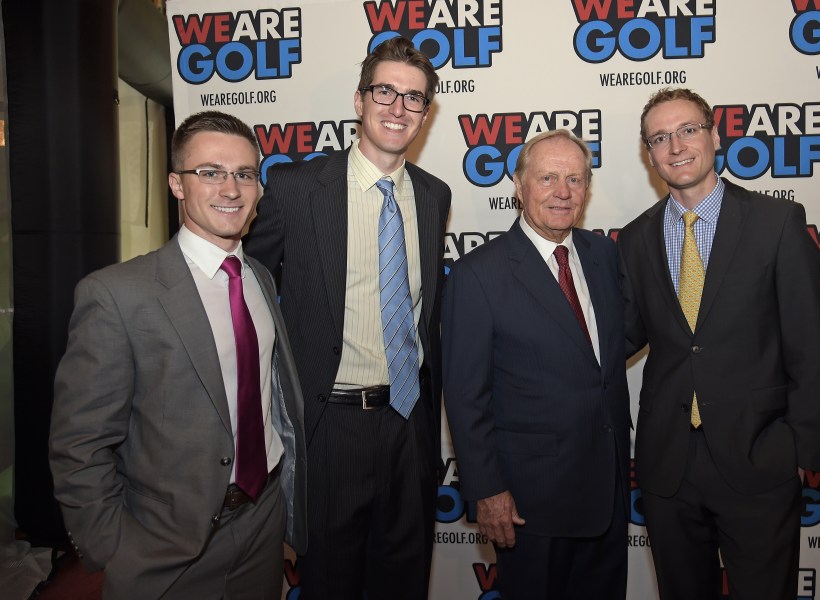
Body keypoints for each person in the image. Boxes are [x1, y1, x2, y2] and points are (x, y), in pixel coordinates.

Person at [49, 110, 307, 599]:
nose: (230, 189)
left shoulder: (259, 278)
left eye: (245, 174)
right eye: (209, 172)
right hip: (166, 547)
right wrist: (114, 550)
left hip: (263, 521)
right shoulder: (116, 295)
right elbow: (78, 446)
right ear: (176, 184)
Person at [244, 36, 450, 599]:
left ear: (425, 114)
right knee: (331, 584)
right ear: (359, 101)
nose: (398, 107)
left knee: (404, 582)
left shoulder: (434, 196)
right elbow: (244, 292)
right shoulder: (296, 189)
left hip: (410, 426)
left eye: (413, 98)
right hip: (330, 426)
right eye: (385, 91)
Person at [617, 88, 820, 600]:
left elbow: (809, 343)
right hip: (668, 466)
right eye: (660, 138)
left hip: (759, 458)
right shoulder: (634, 239)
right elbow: (623, 337)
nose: (676, 146)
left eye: (688, 130)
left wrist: (804, 447)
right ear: (650, 154)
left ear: (714, 136)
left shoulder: (775, 222)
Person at [442, 129, 630, 599]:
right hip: (529, 504)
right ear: (519, 186)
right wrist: (487, 491)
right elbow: (466, 397)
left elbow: (602, 356)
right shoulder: (477, 274)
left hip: (606, 494)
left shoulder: (604, 254)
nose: (562, 192)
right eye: (547, 178)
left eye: (575, 179)